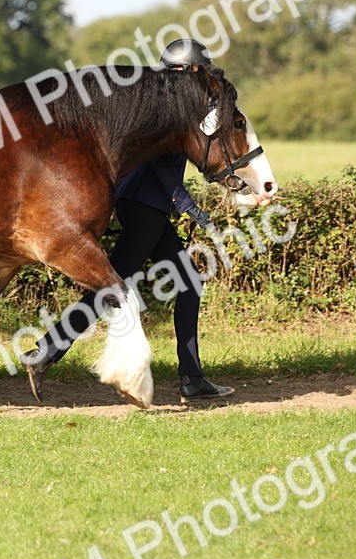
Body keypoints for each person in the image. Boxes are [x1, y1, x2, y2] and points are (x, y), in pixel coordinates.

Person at [22, 38, 234, 404]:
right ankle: (46, 351)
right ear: (191, 70)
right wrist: (186, 204)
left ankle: (192, 379)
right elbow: (161, 167)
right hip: (147, 206)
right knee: (110, 288)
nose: (205, 75)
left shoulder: (164, 100)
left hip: (144, 204)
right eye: (202, 69)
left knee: (187, 283)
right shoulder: (171, 105)